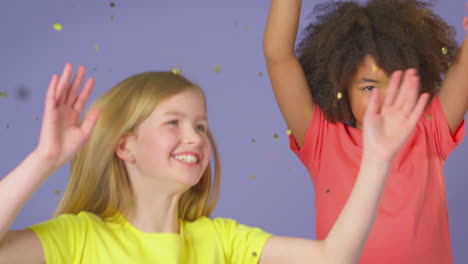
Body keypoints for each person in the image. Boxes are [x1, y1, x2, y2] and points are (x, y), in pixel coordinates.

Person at [0, 63, 427, 263]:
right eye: (174, 123)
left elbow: (334, 258)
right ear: (125, 147)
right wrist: (45, 159)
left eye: (201, 126)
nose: (195, 138)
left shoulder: (220, 240)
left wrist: (377, 158)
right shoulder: (79, 238)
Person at [263, 0, 468, 263]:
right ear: (342, 88)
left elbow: (463, 70)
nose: (382, 99)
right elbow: (278, 56)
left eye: (394, 84)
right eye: (368, 88)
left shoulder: (430, 130)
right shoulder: (322, 139)